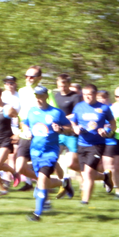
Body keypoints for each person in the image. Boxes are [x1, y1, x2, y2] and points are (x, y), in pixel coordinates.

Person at [25, 86, 74, 221]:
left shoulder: (56, 113)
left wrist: (60, 129)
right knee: (43, 182)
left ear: (46, 96)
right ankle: (64, 183)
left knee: (41, 180)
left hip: (50, 152)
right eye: (36, 95)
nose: (38, 98)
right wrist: (26, 130)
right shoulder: (31, 111)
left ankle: (37, 214)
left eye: (40, 95)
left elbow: (70, 128)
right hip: (35, 152)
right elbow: (25, 124)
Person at [71, 85, 115, 205]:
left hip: (97, 144)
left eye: (89, 94)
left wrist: (107, 131)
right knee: (85, 174)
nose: (87, 97)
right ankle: (105, 177)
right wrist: (76, 128)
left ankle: (84, 201)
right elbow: (73, 122)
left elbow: (113, 124)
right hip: (82, 144)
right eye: (84, 94)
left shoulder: (104, 108)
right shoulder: (79, 107)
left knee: (89, 173)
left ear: (95, 94)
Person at [14, 67, 44, 190]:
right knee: (20, 167)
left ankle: (47, 183)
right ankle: (43, 181)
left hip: (40, 133)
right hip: (24, 133)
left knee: (41, 164)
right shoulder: (21, 91)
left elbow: (53, 111)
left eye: (31, 76)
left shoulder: (46, 92)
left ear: (39, 78)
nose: (28, 78)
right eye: (26, 76)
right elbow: (19, 111)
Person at [52, 73, 82, 176]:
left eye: (65, 85)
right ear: (57, 84)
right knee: (52, 159)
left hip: (71, 133)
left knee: (72, 164)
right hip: (59, 133)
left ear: (69, 84)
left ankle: (87, 176)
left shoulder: (75, 97)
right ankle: (62, 183)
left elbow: (77, 113)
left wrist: (63, 118)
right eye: (60, 86)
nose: (63, 88)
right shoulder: (56, 96)